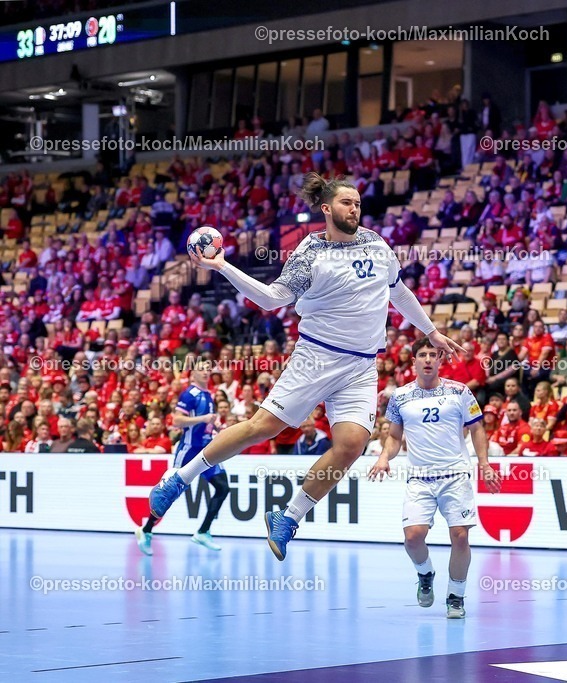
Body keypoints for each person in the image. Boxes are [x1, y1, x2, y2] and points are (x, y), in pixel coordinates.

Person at [146, 175, 464, 561]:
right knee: (262, 428)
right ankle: (177, 479)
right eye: (347, 203)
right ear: (327, 209)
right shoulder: (309, 255)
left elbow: (398, 291)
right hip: (316, 356)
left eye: (358, 203)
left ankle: (288, 517)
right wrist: (224, 267)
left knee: (351, 445)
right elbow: (270, 299)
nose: (355, 209)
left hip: (361, 365)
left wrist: (430, 332)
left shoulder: (378, 244)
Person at [370, 337, 501, 619]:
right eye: (423, 355)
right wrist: (383, 457)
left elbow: (477, 429)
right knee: (413, 538)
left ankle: (455, 596)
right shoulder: (401, 396)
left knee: (460, 536)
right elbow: (394, 436)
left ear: (441, 360)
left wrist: (484, 463)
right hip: (419, 478)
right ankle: (425, 573)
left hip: (455, 475)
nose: (428, 359)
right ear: (414, 360)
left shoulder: (460, 391)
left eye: (433, 354)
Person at [136, 361, 229, 555]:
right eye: (201, 369)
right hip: (188, 450)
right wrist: (202, 419)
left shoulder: (208, 395)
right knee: (172, 493)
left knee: (223, 487)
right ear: (192, 374)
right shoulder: (189, 394)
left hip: (207, 449)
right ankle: (146, 530)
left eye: (207, 369)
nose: (206, 372)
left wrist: (217, 427)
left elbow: (206, 423)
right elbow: (177, 420)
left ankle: (203, 532)